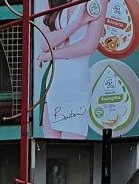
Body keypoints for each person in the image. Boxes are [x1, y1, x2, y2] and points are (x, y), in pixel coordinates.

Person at [35, 0, 105, 139]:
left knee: (73, 149)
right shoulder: (54, 2)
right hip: (53, 82)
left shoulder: (97, 2)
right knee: (49, 149)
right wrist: (77, 23)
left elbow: (88, 46)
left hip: (76, 82)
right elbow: (45, 43)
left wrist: (50, 55)